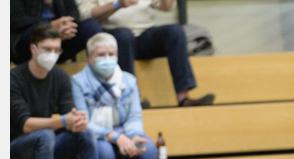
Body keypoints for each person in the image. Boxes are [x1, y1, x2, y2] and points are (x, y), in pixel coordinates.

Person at [11, 24, 130, 159]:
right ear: (33, 49)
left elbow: (69, 114)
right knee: (45, 134)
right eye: (47, 49)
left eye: (56, 50)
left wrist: (77, 122)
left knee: (85, 134)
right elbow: (26, 125)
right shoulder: (13, 79)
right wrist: (63, 121)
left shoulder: (61, 77)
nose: (52, 54)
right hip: (16, 150)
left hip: (47, 149)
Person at [71, 32, 157, 159]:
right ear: (89, 57)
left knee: (148, 148)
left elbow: (134, 115)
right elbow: (83, 122)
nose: (107, 59)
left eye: (111, 54)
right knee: (104, 151)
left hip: (124, 133)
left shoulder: (128, 80)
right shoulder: (77, 82)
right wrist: (116, 137)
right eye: (101, 55)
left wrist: (135, 135)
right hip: (96, 137)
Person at [76, 0, 215, 107]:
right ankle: (130, 99)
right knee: (124, 36)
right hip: (113, 36)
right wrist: (117, 4)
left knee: (175, 32)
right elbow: (85, 14)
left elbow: (166, 7)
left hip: (144, 34)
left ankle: (183, 98)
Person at [11, 0, 102, 64]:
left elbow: (73, 12)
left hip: (61, 37)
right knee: (39, 32)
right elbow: (16, 20)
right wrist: (50, 26)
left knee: (91, 27)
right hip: (27, 40)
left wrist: (66, 25)